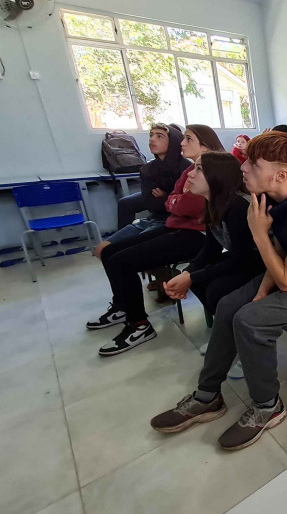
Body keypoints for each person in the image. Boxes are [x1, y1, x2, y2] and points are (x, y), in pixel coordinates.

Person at [150, 131, 287, 451]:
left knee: (250, 319)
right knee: (231, 305)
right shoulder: (270, 195)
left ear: (281, 174)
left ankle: (267, 406)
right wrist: (261, 290)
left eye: (253, 164)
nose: (243, 168)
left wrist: (260, 237)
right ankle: (207, 397)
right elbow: (279, 249)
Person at [88, 125, 225, 356]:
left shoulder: (211, 169)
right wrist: (174, 201)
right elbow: (172, 201)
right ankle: (122, 306)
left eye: (187, 139)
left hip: (197, 235)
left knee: (122, 261)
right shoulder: (190, 170)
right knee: (110, 252)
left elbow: (186, 205)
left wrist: (174, 202)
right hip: (177, 226)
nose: (181, 143)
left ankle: (139, 325)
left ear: (204, 145)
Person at [162, 152, 265, 320]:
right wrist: (187, 274)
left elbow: (243, 259)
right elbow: (211, 248)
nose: (190, 173)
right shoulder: (213, 202)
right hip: (243, 260)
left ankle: (233, 332)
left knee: (215, 291)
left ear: (218, 176)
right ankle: (224, 329)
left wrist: (192, 276)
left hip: (261, 264)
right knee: (198, 281)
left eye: (199, 169)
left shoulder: (238, 206)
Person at [95, 124, 188, 257]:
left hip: (174, 222)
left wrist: (165, 197)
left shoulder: (187, 168)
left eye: (159, 136)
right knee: (101, 249)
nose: (152, 140)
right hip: (154, 218)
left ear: (173, 142)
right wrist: (167, 199)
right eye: (151, 135)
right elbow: (151, 204)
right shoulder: (147, 169)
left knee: (122, 253)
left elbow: (186, 206)